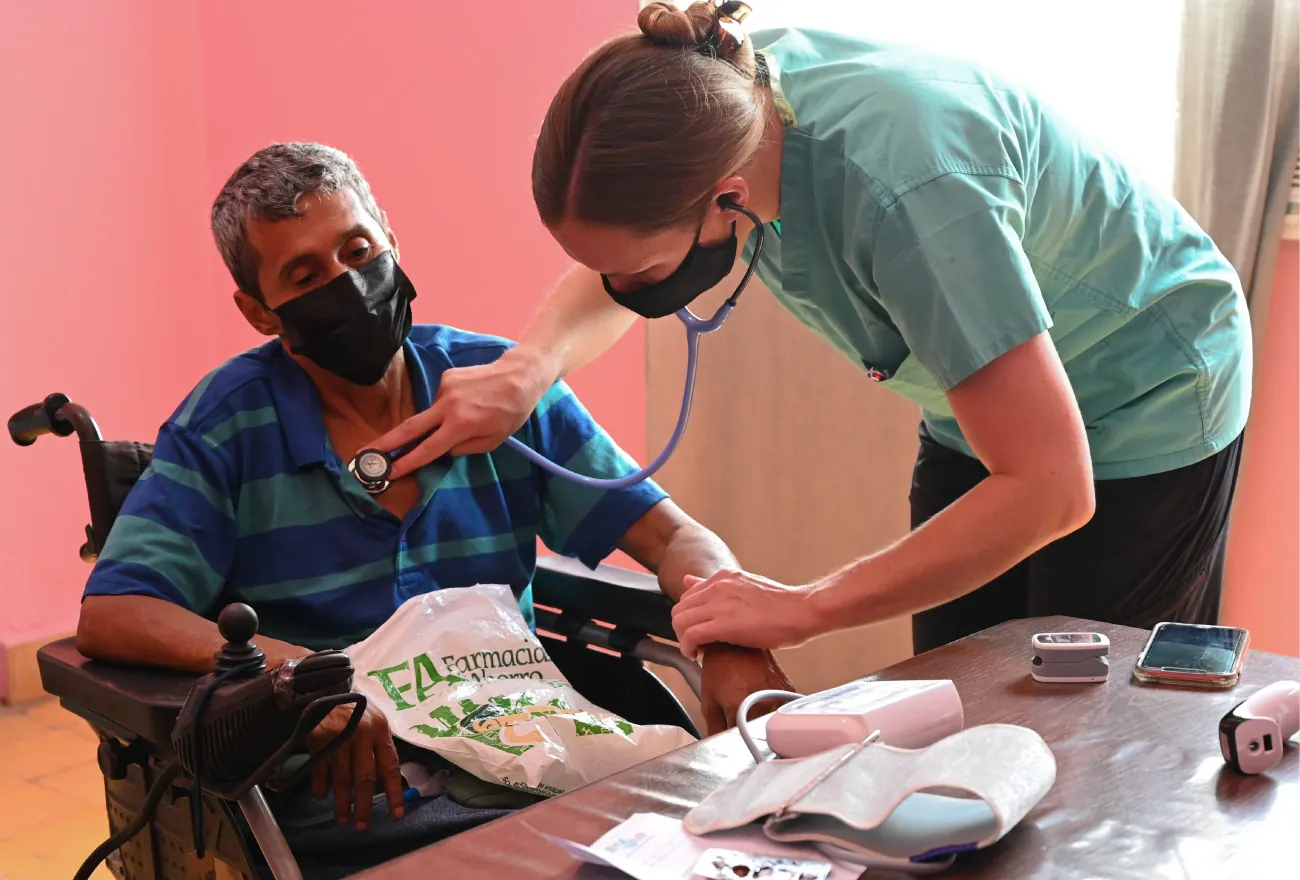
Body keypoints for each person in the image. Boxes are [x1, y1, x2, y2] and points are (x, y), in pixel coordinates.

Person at [367, 2, 1252, 661]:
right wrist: (530, 370)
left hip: (1147, 387)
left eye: (640, 276)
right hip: (984, 405)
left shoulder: (911, 195)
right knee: (961, 696)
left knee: (1082, 721)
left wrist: (806, 605)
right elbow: (616, 261)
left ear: (728, 198)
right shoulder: (720, 99)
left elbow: (1052, 487)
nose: (626, 293)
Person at [75, 142, 791, 847]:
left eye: (358, 251)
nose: (348, 284)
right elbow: (115, 611)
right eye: (304, 274)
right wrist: (300, 683)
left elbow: (673, 538)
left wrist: (727, 631)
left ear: (388, 231)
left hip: (526, 754)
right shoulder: (229, 424)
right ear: (260, 311)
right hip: (351, 791)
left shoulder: (501, 390)